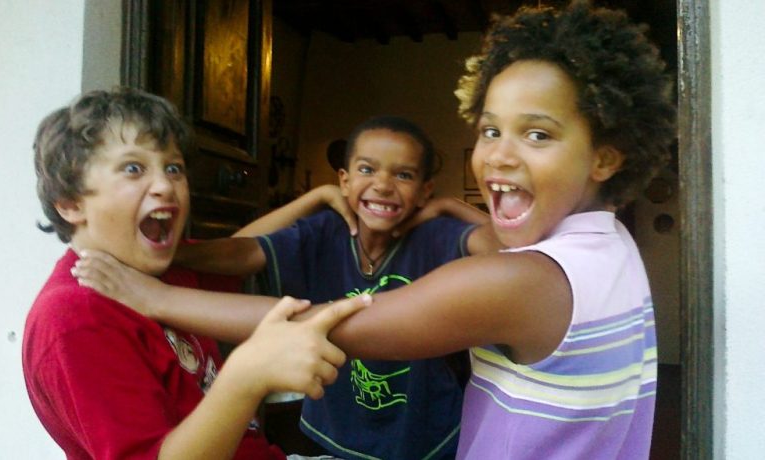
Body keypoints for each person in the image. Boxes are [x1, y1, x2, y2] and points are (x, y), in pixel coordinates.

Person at [75, 1, 676, 458]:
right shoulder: (613, 250)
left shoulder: (523, 281)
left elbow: (336, 325)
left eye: (538, 134)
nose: (498, 156)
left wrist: (153, 296)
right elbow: (247, 253)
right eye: (490, 130)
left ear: (606, 156)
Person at [75, 115, 498, 460]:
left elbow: (510, 255)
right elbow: (245, 252)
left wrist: (452, 207)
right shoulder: (325, 232)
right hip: (338, 428)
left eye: (403, 175)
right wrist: (168, 256)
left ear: (424, 190)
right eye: (367, 170)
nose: (383, 185)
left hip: (422, 434)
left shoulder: (437, 236)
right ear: (345, 180)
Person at [21, 87, 371, 460]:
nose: (165, 186)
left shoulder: (159, 266)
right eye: (133, 168)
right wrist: (246, 377)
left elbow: (238, 248)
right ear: (71, 204)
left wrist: (312, 200)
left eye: (173, 168)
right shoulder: (76, 320)